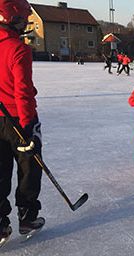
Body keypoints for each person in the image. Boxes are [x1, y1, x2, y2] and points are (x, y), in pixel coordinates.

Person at [0, 0, 46, 246]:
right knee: (30, 166)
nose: (26, 24)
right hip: (18, 118)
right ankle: (27, 215)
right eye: (23, 20)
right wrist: (28, 128)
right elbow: (23, 93)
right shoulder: (18, 49)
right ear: (11, 19)